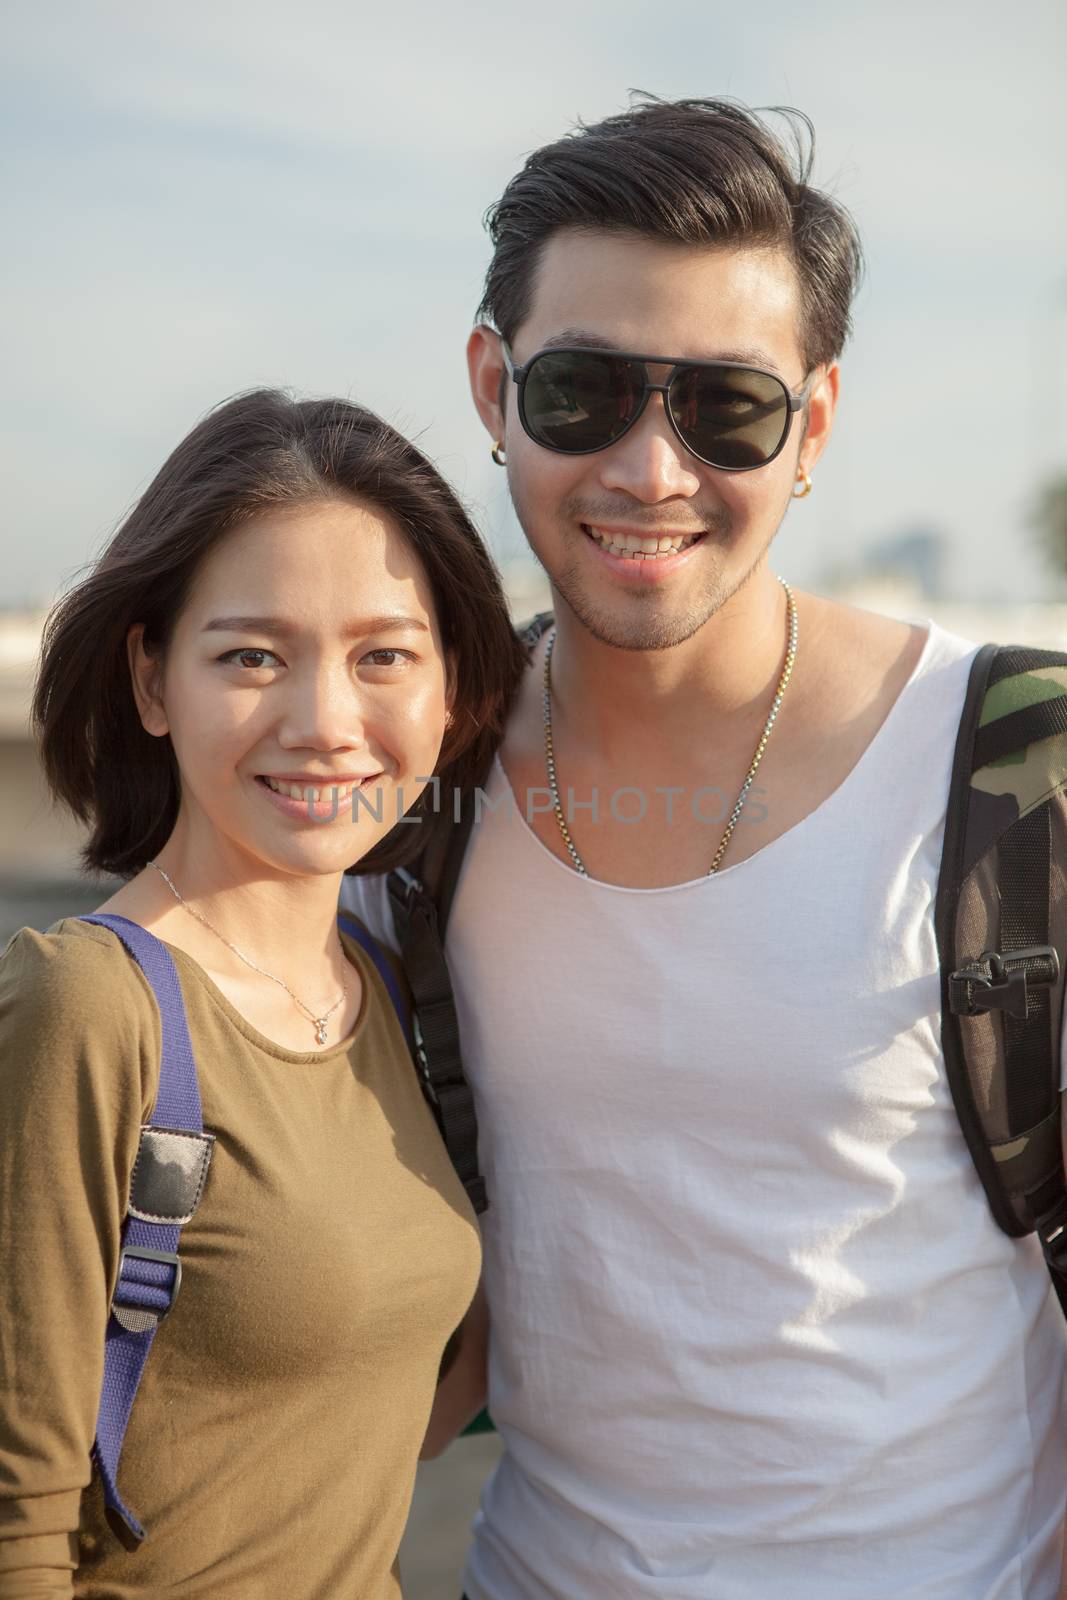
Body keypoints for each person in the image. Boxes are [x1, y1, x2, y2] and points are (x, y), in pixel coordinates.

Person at [342, 98, 1067, 1598]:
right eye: (583, 392)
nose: (649, 470)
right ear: (491, 388)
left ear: (809, 426)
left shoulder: (1010, 760)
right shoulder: (412, 781)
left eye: (723, 407)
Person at [0, 388, 523, 1598]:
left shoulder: (387, 989)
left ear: (450, 689)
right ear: (150, 679)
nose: (326, 722)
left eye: (383, 654)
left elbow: (384, 1415)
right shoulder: (89, 1007)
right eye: (251, 656)